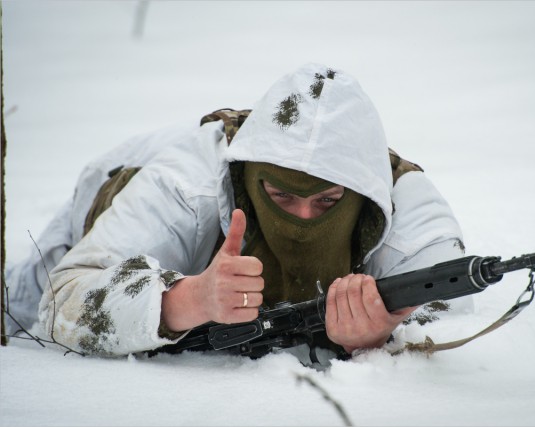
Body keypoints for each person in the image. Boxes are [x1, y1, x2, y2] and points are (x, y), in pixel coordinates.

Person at [5, 63, 466, 358]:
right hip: (106, 197)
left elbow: (457, 311)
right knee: (13, 313)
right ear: (249, 182)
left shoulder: (404, 207)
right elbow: (60, 298)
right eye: (281, 196)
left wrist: (381, 334)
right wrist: (186, 299)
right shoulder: (186, 188)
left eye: (328, 201)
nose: (303, 219)